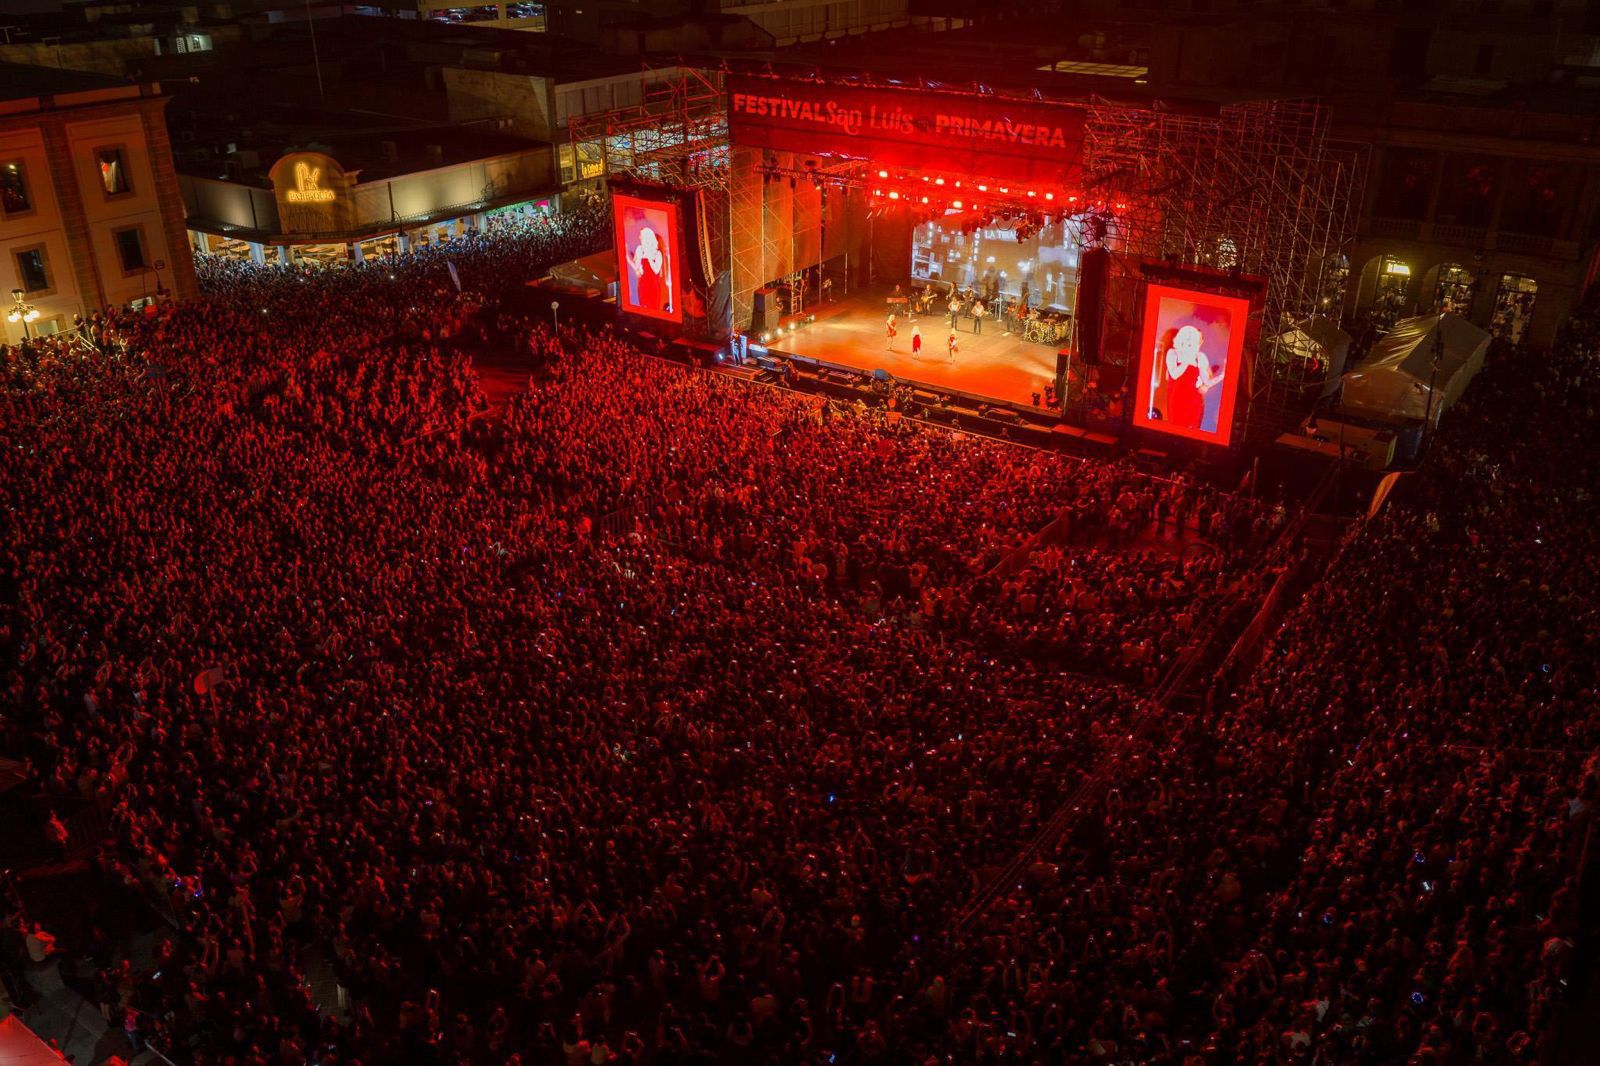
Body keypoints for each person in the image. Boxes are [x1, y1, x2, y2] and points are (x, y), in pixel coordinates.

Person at [1155, 325, 1223, 432]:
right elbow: (1173, 375)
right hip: (1177, 398)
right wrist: (1187, 360)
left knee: (1193, 429)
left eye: (1195, 340)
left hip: (1194, 401)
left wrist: (1222, 375)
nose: (1193, 343)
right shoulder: (1172, 353)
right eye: (1189, 339)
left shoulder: (1200, 358)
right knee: (1175, 427)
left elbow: (1207, 381)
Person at [627, 226, 670, 314]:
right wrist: (630, 259)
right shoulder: (640, 250)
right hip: (643, 284)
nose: (641, 239)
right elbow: (637, 268)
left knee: (654, 308)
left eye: (642, 237)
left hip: (653, 285)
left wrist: (649, 257)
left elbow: (656, 270)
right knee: (644, 308)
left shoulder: (657, 254)